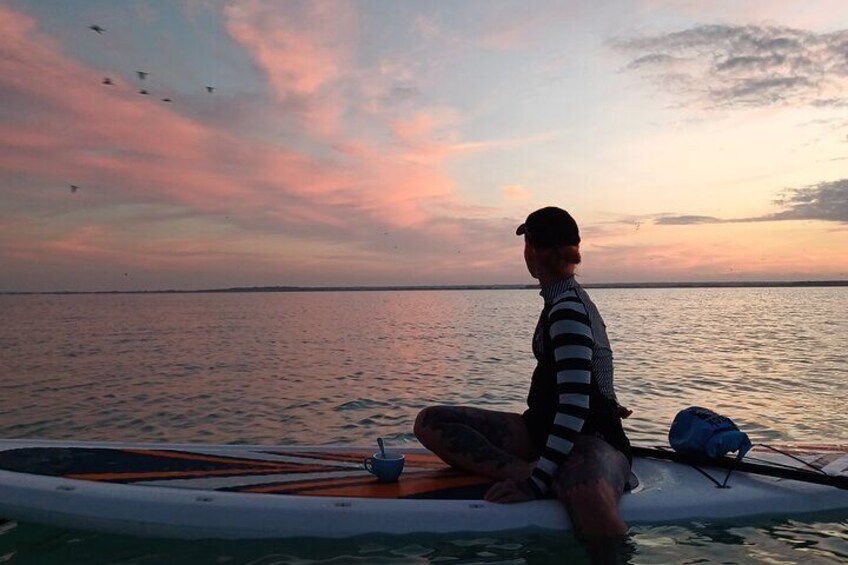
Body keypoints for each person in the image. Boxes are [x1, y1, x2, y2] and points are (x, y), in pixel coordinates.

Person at [414, 206, 632, 561]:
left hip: (593, 437)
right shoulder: (560, 299)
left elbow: (576, 406)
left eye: (527, 242)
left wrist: (536, 484)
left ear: (533, 251)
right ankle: (529, 467)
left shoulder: (568, 309)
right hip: (541, 429)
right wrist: (534, 471)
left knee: (589, 498)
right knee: (432, 422)